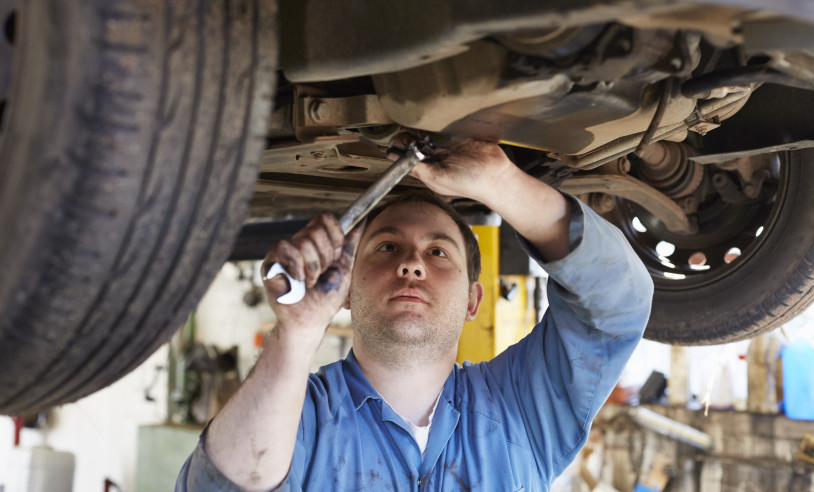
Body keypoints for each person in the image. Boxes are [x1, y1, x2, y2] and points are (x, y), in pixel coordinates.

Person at [176, 139, 653, 491]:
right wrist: (296, 333)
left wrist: (500, 181)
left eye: (439, 253)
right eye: (387, 247)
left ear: (472, 302)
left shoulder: (521, 408)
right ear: (345, 290)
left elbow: (619, 302)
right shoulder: (299, 416)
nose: (411, 263)